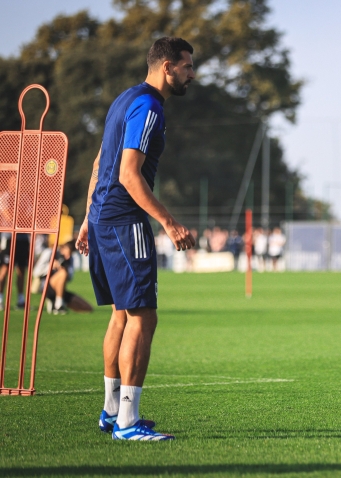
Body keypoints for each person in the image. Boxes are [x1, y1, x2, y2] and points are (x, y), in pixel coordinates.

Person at [75, 37, 196, 441]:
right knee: (144, 316)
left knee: (121, 315)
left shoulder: (124, 98)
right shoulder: (150, 107)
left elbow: (99, 160)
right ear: (167, 66)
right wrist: (169, 221)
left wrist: (87, 216)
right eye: (186, 66)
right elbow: (128, 174)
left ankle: (111, 413)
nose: (190, 74)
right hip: (124, 222)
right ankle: (127, 422)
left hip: (102, 217)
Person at [32, 240, 93, 315]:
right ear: (63, 248)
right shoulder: (50, 252)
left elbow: (70, 278)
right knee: (63, 273)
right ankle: (58, 305)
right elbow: (36, 272)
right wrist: (50, 266)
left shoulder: (70, 259)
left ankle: (55, 301)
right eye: (68, 252)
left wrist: (63, 268)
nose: (68, 256)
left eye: (70, 253)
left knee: (88, 308)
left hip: (60, 290)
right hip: (46, 286)